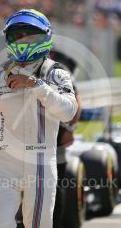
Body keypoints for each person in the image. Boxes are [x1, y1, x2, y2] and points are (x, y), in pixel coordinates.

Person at [0, 9, 77, 228]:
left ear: (44, 37)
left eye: (28, 35)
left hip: (42, 164)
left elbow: (68, 112)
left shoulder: (57, 75)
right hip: (6, 165)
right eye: (17, 36)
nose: (22, 40)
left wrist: (35, 85)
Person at [49, 51, 82, 228]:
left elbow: (76, 106)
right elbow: (77, 105)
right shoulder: (63, 73)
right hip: (52, 134)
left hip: (54, 135)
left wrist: (69, 128)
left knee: (54, 183)